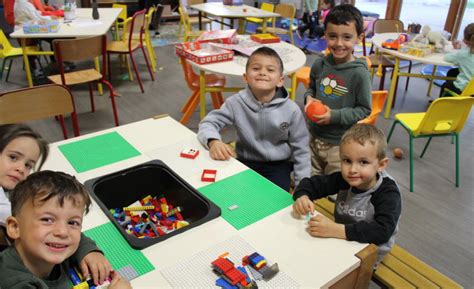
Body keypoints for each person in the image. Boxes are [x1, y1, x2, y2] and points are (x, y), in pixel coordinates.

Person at [0, 124, 112, 286]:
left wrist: (89, 250)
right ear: (14, 227)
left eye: (28, 165)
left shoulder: (10, 185)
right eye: (13, 157)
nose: (20, 169)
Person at [197, 47, 311, 191]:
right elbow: (208, 123)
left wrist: (302, 186)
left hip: (278, 166)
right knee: (230, 193)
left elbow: (301, 149)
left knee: (275, 200)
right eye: (256, 68)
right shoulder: (235, 103)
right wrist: (213, 141)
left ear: (280, 80)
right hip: (245, 160)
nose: (263, 72)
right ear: (245, 77)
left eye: (270, 70)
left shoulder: (292, 110)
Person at [0, 171, 132, 289]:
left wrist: (89, 252)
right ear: (15, 227)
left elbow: (78, 238)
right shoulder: (15, 283)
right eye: (47, 220)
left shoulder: (45, 247)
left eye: (72, 222)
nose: (63, 232)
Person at [292, 124, 402, 266]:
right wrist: (303, 196)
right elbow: (312, 184)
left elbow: (382, 231)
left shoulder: (387, 192)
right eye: (347, 160)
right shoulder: (345, 179)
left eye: (363, 162)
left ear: (381, 165)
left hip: (369, 251)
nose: (352, 170)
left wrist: (337, 230)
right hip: (341, 237)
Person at [304, 4, 371, 176]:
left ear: (359, 37)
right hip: (312, 137)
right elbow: (311, 88)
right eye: (333, 36)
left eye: (347, 37)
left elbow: (364, 109)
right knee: (309, 183)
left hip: (340, 144)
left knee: (335, 189)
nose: (339, 43)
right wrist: (309, 99)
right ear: (325, 35)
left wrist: (333, 116)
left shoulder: (359, 73)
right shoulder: (320, 64)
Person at [439, 23, 474, 98]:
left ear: (465, 40)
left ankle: (445, 104)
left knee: (445, 85)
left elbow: (447, 58)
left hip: (464, 89)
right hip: (472, 88)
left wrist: (456, 50)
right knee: (452, 72)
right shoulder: (465, 52)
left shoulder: (463, 54)